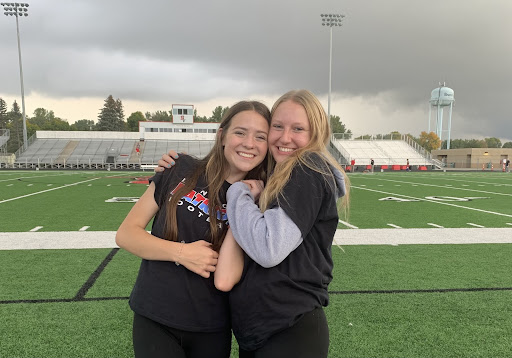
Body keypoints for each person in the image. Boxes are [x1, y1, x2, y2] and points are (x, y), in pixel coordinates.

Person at [158, 89, 349, 358]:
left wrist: (238, 192)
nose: (285, 137)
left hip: (290, 330)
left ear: (315, 134)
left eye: (298, 129)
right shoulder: (277, 177)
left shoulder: (307, 167)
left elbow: (268, 249)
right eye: (278, 127)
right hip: (261, 332)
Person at [116, 100, 271, 358]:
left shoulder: (260, 200)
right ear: (222, 135)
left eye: (260, 137)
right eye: (240, 132)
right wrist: (182, 253)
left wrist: (243, 201)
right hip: (155, 315)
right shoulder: (179, 168)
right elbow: (126, 233)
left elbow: (228, 277)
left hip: (212, 326)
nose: (249, 143)